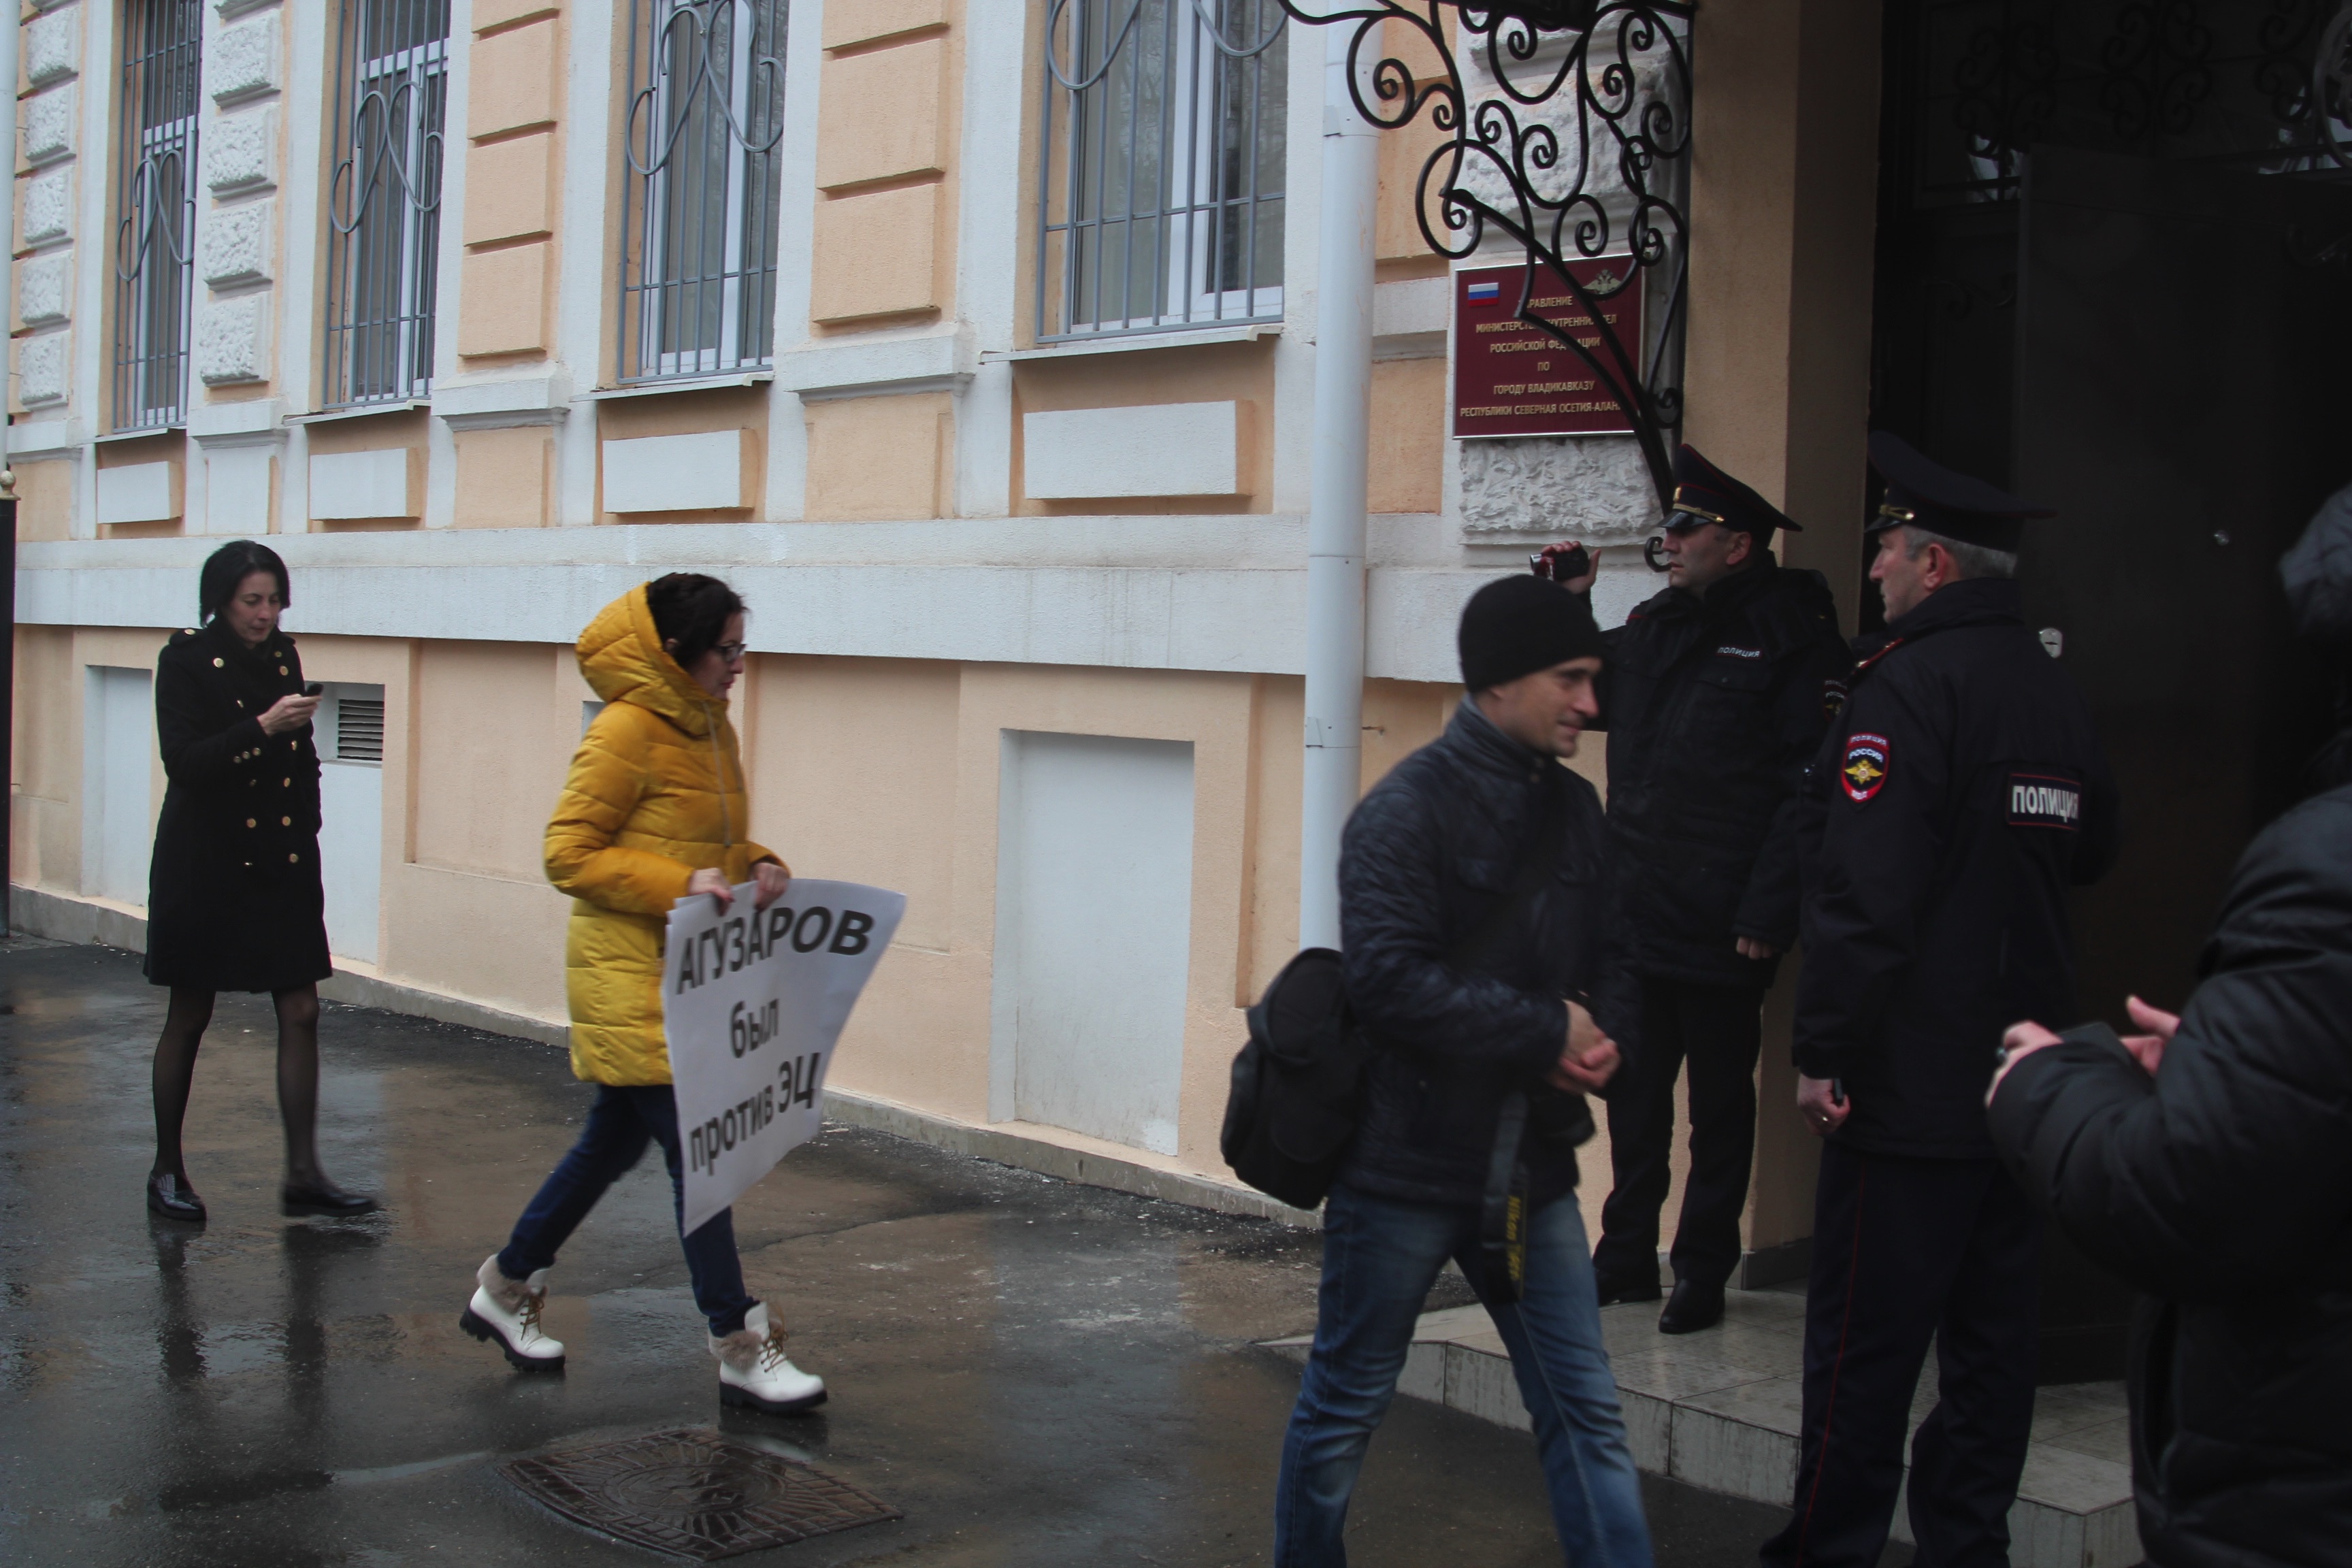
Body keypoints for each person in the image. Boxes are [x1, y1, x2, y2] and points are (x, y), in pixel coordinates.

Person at [1758, 434, 2119, 1568]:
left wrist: (1823, 1050)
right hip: (2022, 1091)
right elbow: (2095, 849)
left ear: (1937, 564)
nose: (1874, 567)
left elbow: (1866, 889)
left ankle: (1830, 1549)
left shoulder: (1906, 687)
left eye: (1889, 548)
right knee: (1992, 1351)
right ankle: (1968, 1546)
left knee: (1862, 1353)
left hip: (1906, 1096)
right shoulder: (2052, 689)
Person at [1984, 480, 2352, 1568]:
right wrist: (2248, 1061)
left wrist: (2053, 1081)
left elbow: (2193, 1191)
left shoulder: (2326, 866)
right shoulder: (2047, 689)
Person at [1274, 573, 1652, 1568]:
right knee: (1345, 1408)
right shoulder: (1405, 811)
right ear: (1500, 681)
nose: (1590, 704)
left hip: (1533, 1173)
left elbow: (1620, 950)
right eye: (1570, 679)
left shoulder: (1577, 809)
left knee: (1585, 1413)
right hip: (1403, 1173)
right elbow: (1390, 985)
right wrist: (1545, 1032)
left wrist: (1604, 1035)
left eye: (1594, 679)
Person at [457, 574, 825, 1416]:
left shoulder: (709, 724)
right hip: (631, 977)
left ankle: (507, 1287)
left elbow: (705, 845)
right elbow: (568, 853)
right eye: (727, 649)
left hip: (688, 979)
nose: (740, 664)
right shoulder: (626, 728)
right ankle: (738, 1343)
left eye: (742, 646)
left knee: (610, 1146)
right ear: (676, 653)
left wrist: (758, 863)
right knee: (703, 1159)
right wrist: (678, 885)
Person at [1551, 444, 1850, 1335]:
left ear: (1739, 545)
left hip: (1725, 921)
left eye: (1688, 530)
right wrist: (1567, 606)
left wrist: (1769, 906)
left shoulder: (1794, 639)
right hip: (1639, 912)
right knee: (1634, 1099)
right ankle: (1625, 1256)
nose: (1670, 542)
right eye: (1671, 529)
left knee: (1719, 1108)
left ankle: (1704, 1268)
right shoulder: (1655, 624)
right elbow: (1587, 692)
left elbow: (1810, 787)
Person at [144, 540, 375, 1223]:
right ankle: (166, 1169)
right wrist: (262, 727)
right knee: (190, 1013)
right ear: (221, 601)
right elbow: (185, 762)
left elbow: (301, 754)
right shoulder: (185, 660)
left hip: (279, 859)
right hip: (206, 861)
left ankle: (304, 1175)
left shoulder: (282, 655)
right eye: (252, 601)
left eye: (274, 600)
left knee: (302, 1009)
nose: (265, 614)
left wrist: (309, 816)